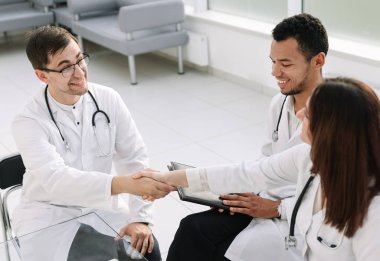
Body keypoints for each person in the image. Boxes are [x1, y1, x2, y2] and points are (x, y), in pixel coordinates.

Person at [137, 77, 380, 260]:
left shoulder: (373, 214)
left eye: (311, 112)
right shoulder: (310, 156)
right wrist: (167, 179)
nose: (300, 112)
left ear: (331, 130)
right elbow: (248, 173)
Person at [162, 13, 328, 261]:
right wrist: (229, 194)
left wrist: (277, 209)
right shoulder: (278, 104)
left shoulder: (337, 117)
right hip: (263, 199)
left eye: (286, 63)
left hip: (301, 220)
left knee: (224, 252)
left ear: (318, 61)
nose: (275, 72)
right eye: (272, 61)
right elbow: (263, 164)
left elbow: (336, 198)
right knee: (192, 228)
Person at [11, 25, 175, 261]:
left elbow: (134, 158)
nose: (79, 73)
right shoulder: (28, 121)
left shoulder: (108, 98)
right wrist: (123, 184)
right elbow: (57, 181)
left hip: (101, 206)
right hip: (50, 214)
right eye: (65, 68)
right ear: (42, 75)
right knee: (86, 253)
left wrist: (140, 218)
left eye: (80, 59)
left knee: (146, 250)